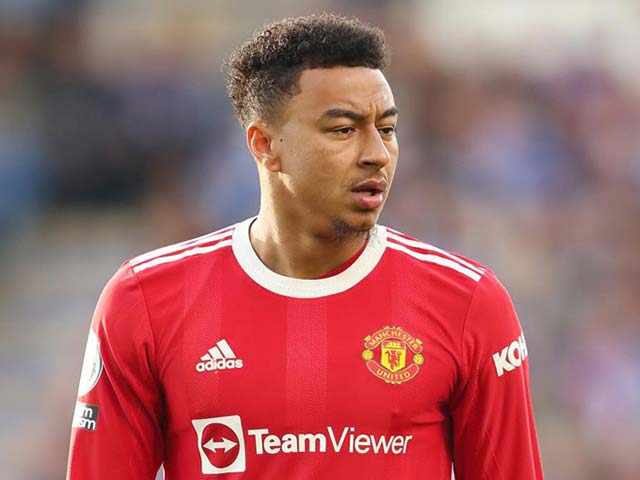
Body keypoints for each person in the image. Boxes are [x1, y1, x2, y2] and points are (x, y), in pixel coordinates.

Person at [66, 13, 543, 479]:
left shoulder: (468, 302)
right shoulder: (145, 300)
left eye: (387, 129)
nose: (377, 153)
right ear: (265, 145)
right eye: (343, 129)